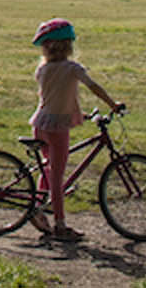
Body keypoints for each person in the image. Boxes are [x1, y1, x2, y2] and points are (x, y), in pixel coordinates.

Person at [29, 18, 122, 241]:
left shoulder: (42, 69)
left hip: (40, 124)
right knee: (58, 178)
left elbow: (53, 98)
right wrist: (113, 104)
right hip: (57, 127)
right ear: (68, 46)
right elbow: (93, 87)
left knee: (48, 168)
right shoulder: (72, 69)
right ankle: (60, 226)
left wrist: (79, 114)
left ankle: (39, 207)